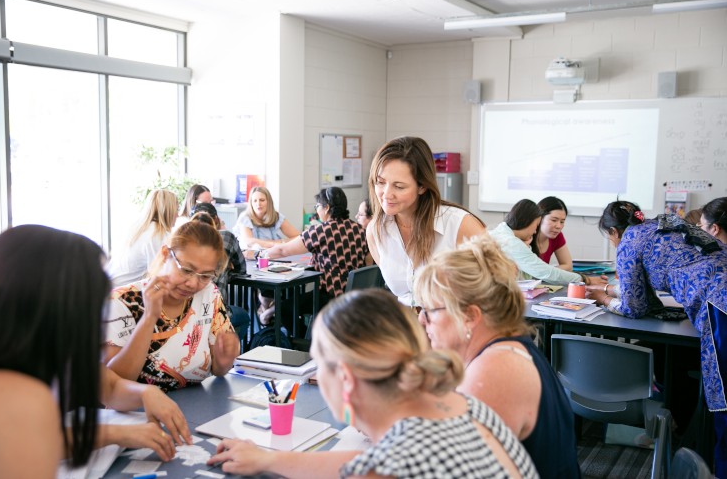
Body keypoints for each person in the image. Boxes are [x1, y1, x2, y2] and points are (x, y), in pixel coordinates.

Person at [207, 289, 538, 478]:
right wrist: (270, 459)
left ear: (346, 380)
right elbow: (359, 466)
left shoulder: (395, 466)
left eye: (319, 364)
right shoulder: (464, 407)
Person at [0, 225, 190, 476]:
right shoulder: (14, 392)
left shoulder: (36, 352)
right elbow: (26, 443)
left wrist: (145, 393)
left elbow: (107, 385)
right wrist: (114, 433)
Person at [414, 236, 580, 478]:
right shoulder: (505, 347)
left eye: (429, 310)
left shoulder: (496, 369)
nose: (421, 320)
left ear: (470, 316)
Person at [586, 200, 727, 476]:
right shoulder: (667, 223)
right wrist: (607, 288)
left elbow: (633, 307)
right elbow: (638, 290)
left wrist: (604, 299)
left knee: (724, 397)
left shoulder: (629, 241)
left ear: (614, 232)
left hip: (719, 305)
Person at [104, 220, 241, 391]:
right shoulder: (121, 302)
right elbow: (113, 386)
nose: (193, 283)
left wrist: (224, 362)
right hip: (139, 413)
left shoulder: (209, 294)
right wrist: (149, 318)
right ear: (165, 254)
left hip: (195, 408)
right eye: (186, 270)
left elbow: (219, 370)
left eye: (205, 276)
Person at [366, 136, 486, 307]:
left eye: (399, 186)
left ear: (422, 186)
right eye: (380, 182)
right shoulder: (376, 230)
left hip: (455, 327)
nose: (386, 194)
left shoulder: (460, 225)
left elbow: (497, 285)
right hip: (408, 328)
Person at [265, 187, 369, 328]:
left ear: (326, 208)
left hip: (331, 295)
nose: (317, 210)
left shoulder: (321, 231)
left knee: (284, 308)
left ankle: (302, 343)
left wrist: (260, 254)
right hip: (356, 294)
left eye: (318, 206)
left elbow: (283, 251)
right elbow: (367, 263)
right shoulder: (359, 230)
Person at [489, 199, 603, 286]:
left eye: (562, 221)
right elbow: (545, 272)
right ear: (527, 221)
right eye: (536, 225)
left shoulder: (501, 232)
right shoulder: (512, 242)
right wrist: (584, 279)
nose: (535, 231)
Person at [189, 204, 251, 345]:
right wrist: (227, 270)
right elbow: (242, 269)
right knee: (244, 317)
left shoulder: (184, 246)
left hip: (189, 315)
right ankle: (224, 352)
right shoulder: (226, 237)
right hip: (216, 313)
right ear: (216, 220)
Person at [107, 189, 179, 287]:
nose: (178, 215)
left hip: (111, 285)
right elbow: (160, 274)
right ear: (169, 211)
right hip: (122, 292)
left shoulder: (138, 228)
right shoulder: (158, 234)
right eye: (177, 210)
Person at [234, 186, 300, 249]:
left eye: (262, 200)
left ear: (269, 202)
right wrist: (276, 243)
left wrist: (282, 242)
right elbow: (249, 241)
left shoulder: (277, 217)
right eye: (255, 201)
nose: (258, 204)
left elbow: (298, 237)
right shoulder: (245, 217)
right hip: (252, 257)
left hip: (275, 255)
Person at [531, 196, 573, 271]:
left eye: (562, 222)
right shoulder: (526, 235)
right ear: (540, 218)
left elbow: (568, 266)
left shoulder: (557, 236)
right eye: (554, 220)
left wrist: (547, 272)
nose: (558, 226)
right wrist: (550, 272)